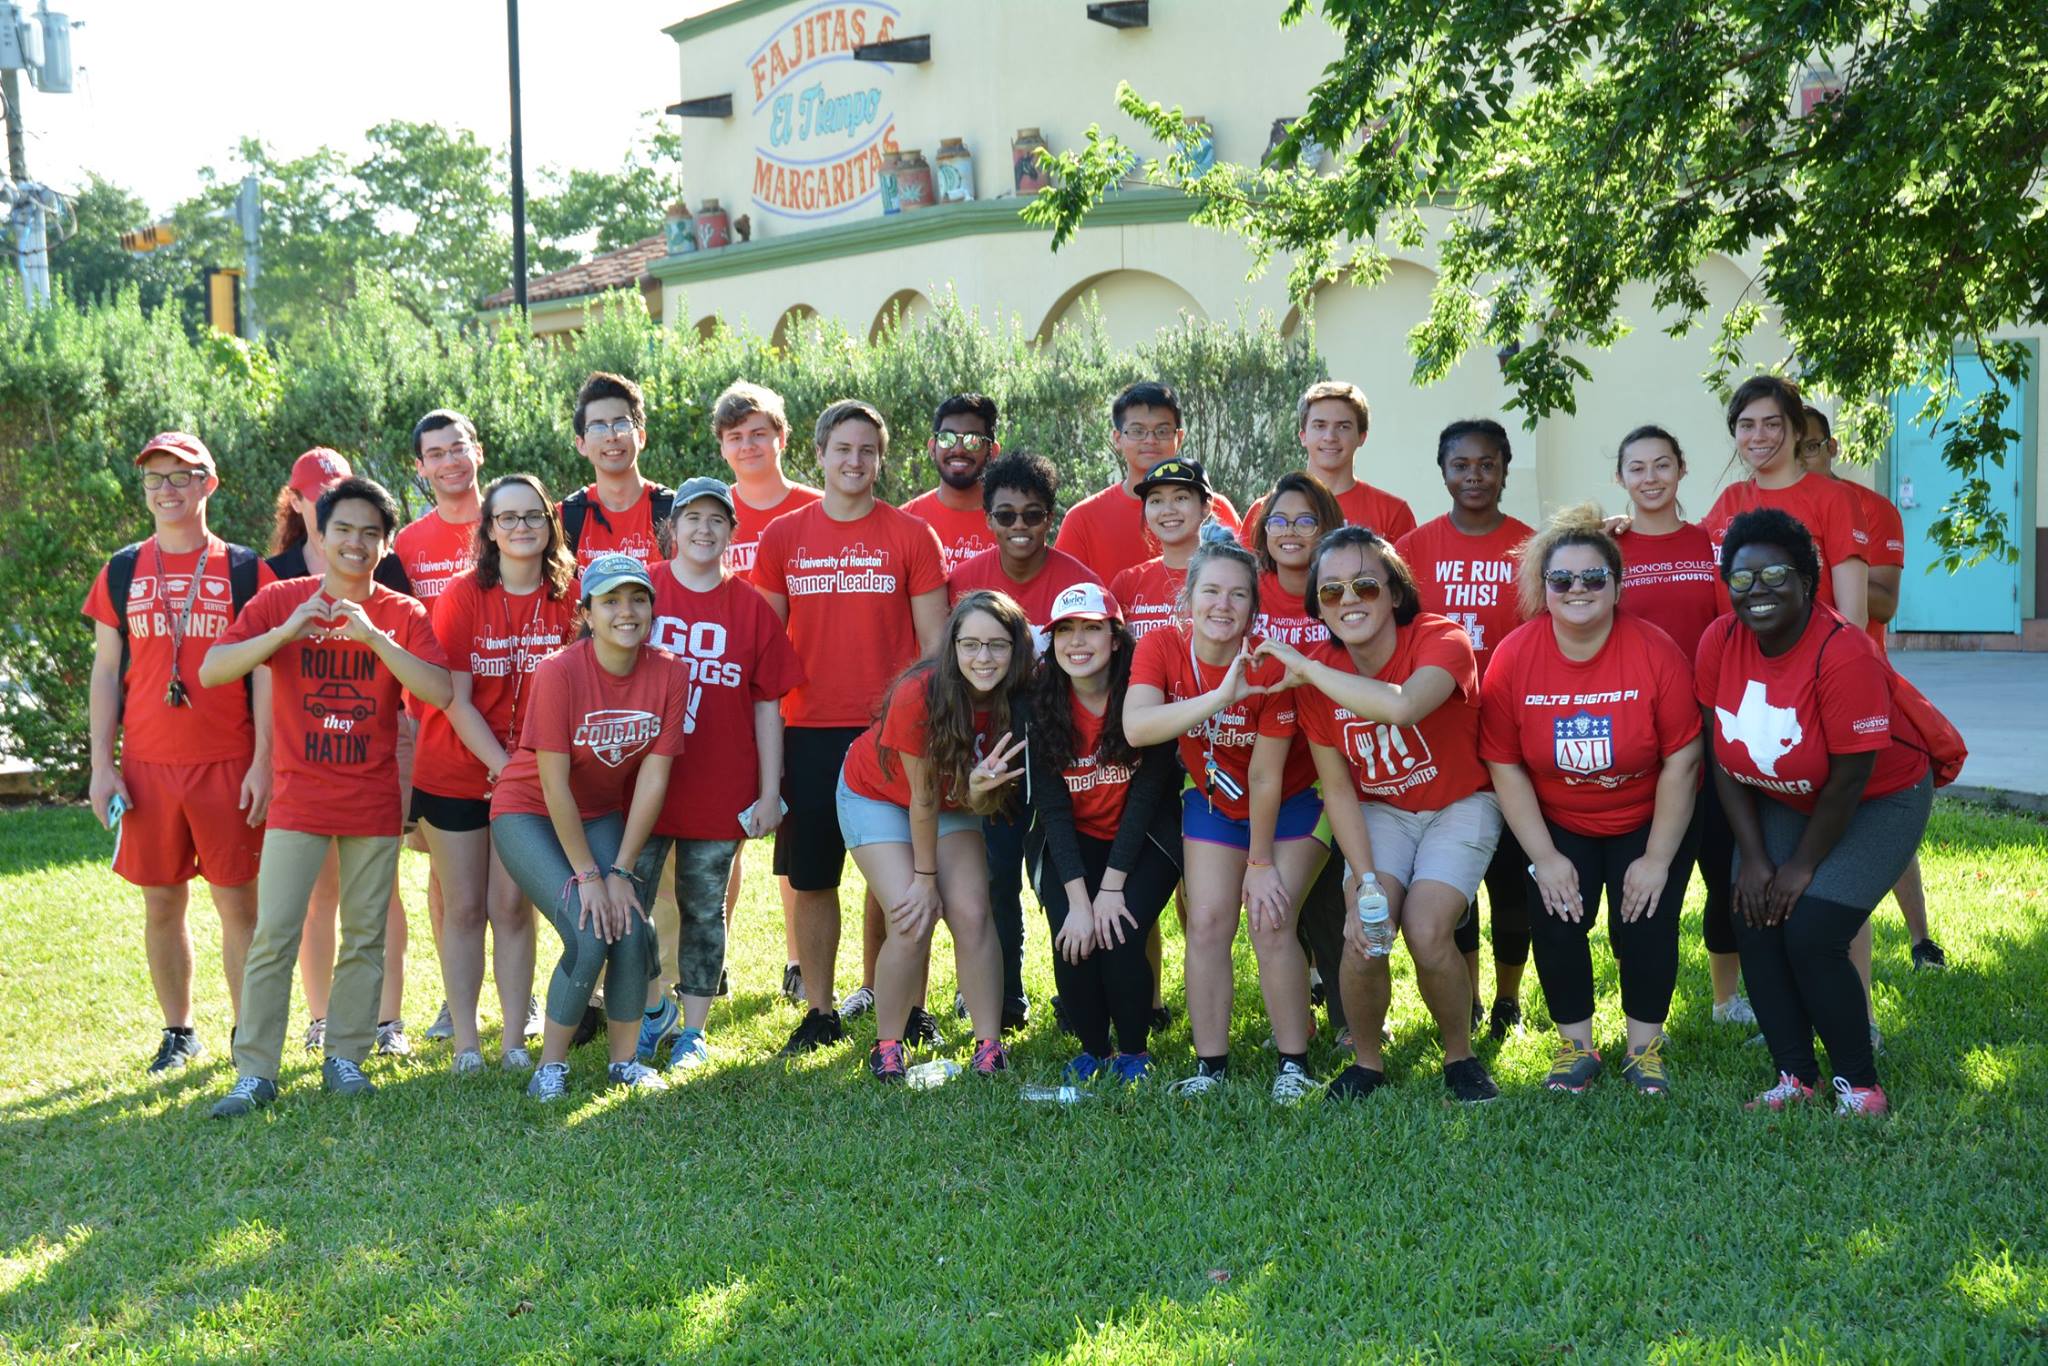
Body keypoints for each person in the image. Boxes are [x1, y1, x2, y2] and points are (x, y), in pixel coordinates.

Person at [204, 477, 453, 1118]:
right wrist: (285, 632)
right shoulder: (281, 598)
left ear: (385, 542)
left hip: (370, 798)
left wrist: (375, 638)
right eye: (343, 529)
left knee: (366, 934)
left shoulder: (402, 612)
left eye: (371, 533)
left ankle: (346, 1056)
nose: (356, 543)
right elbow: (213, 669)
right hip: (298, 800)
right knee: (274, 936)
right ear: (320, 532)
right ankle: (255, 1072)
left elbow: (440, 692)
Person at [1697, 508, 1932, 1116]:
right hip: (1788, 792)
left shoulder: (1843, 652)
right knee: (1752, 913)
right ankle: (1794, 1077)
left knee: (1812, 930)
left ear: (1808, 578)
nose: (1758, 592)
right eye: (1742, 580)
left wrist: (1800, 867)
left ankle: (1861, 1085)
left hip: (1880, 798)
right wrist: (1752, 857)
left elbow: (1852, 776)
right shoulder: (1719, 643)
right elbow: (1724, 754)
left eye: (1775, 575)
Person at [1257, 526, 1503, 1103]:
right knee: (1365, 931)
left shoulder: (1442, 638)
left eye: (1365, 586)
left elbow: (1404, 706)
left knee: (1426, 926)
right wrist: (1365, 879)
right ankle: (1367, 1062)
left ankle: (1460, 1057)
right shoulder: (1316, 670)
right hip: (1380, 809)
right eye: (1331, 591)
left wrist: (1310, 670)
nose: (1349, 601)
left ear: (1395, 592)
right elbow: (1337, 789)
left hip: (1459, 801)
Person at [1479, 506, 1703, 1096]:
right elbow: (1503, 762)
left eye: (1593, 578)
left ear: (1617, 585)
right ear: (1544, 588)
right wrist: (1545, 858)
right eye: (1562, 580)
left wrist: (1655, 860)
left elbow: (1683, 758)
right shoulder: (1514, 656)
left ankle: (1644, 1048)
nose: (1578, 589)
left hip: (1646, 815)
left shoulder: (1655, 650)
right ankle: (1576, 1047)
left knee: (1648, 919)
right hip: (1557, 820)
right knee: (1557, 920)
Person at [753, 399, 949, 1055]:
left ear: (880, 459)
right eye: (844, 449)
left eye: (868, 450)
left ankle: (911, 1007)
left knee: (898, 874)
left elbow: (934, 649)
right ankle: (819, 1009)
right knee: (812, 878)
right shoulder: (784, 537)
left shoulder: (912, 535)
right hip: (807, 729)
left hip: (890, 734)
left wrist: (919, 727)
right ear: (820, 455)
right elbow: (765, 646)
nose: (855, 461)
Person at [83, 431, 274, 1073]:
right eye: (154, 479)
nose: (166, 490)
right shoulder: (121, 569)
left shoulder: (246, 569)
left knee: (237, 902)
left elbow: (270, 673)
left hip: (227, 760)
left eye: (180, 476)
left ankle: (248, 1035)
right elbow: (107, 672)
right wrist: (101, 765)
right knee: (161, 900)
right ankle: (177, 1031)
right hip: (146, 766)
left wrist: (265, 760)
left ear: (207, 484)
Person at [1125, 527, 1328, 1104]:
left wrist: (1260, 863)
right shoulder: (1162, 647)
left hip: (1291, 803)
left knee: (1270, 919)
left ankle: (1293, 1062)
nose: (1223, 605)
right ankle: (1210, 1065)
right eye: (1210, 592)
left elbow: (1267, 776)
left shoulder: (1268, 664)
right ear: (1186, 599)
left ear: (1254, 608)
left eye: (1238, 595)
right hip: (1214, 800)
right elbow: (1138, 727)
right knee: (1208, 921)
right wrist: (1220, 697)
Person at [490, 553, 691, 1102]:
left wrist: (622, 871)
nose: (627, 611)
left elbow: (653, 779)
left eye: (638, 599)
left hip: (600, 815)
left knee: (629, 923)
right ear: (588, 612)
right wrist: (589, 875)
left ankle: (623, 1063)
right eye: (611, 601)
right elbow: (553, 785)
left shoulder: (671, 671)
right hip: (527, 809)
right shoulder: (559, 671)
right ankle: (549, 1067)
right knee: (587, 926)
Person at [409, 474, 581, 1073]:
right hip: (456, 769)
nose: (521, 528)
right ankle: (465, 1042)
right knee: (463, 908)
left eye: (533, 516)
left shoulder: (570, 594)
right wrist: (504, 768)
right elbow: (453, 700)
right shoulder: (460, 596)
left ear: (550, 524)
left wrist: (521, 775)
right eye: (506, 518)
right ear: (488, 529)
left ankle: (512, 1039)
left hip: (534, 779)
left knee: (512, 907)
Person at [636, 477, 805, 1072]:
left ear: (732, 533)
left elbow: (768, 706)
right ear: (672, 529)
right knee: (635, 903)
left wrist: (767, 792)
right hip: (642, 787)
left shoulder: (750, 607)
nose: (704, 530)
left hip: (719, 785)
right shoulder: (643, 591)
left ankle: (695, 1030)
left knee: (704, 907)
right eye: (692, 519)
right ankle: (651, 1009)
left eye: (717, 520)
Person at [840, 590, 1035, 1080]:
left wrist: (976, 793)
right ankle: (888, 1045)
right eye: (970, 645)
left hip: (955, 801)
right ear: (952, 647)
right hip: (879, 796)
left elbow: (978, 798)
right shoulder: (921, 691)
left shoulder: (1024, 693)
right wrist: (925, 879)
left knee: (972, 911)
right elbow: (921, 799)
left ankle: (988, 1046)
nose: (983, 658)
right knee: (911, 914)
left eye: (997, 645)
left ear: (1016, 649)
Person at [264, 446, 418, 1056]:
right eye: (331, 509)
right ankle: (322, 1020)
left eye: (368, 530)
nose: (355, 539)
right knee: (309, 901)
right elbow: (248, 669)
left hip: (377, 752)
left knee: (377, 901)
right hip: (301, 762)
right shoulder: (276, 579)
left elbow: (420, 676)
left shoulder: (389, 577)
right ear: (303, 508)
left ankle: (384, 1022)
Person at [943, 450, 1101, 1030]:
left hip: (1064, 753)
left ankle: (1080, 1001)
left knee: (1064, 877)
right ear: (987, 518)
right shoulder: (964, 583)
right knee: (996, 878)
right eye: (1005, 515)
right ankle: (1005, 1000)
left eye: (1032, 515)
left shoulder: (1079, 583)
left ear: (1050, 517)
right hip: (993, 753)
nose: (1019, 528)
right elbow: (949, 674)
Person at [1396, 419, 1536, 1038]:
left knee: (1509, 875)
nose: (1474, 476)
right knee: (1451, 880)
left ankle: (1508, 997)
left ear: (1505, 468)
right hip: (1438, 734)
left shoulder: (1534, 546)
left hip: (1513, 732)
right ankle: (1470, 996)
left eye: (1487, 464)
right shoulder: (1413, 550)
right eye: (1461, 465)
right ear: (1443, 471)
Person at [1612, 425, 1752, 1027]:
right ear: (1621, 479)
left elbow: (1735, 634)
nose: (1650, 478)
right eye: (1637, 468)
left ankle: (1727, 1000)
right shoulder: (1605, 552)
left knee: (1725, 866)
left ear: (1682, 470)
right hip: (1633, 733)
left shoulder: (1710, 545)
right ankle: (1640, 1008)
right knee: (1642, 874)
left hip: (1709, 726)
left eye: (1661, 465)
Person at [1798, 406, 1945, 973]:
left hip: (1859, 677)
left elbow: (1882, 601)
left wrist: (1829, 569)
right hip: (1787, 682)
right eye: (1796, 446)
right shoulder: (1762, 502)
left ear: (1831, 448)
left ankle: (1919, 938)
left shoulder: (1870, 508)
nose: (1802, 457)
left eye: (1812, 446)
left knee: (1881, 804)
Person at [1021, 583, 1182, 1083]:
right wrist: (1079, 898)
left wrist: (1111, 888)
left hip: (1144, 834)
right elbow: (1051, 805)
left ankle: (1134, 1052)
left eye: (1091, 628)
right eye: (1065, 630)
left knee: (1120, 932)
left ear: (1115, 638)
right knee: (1073, 934)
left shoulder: (1143, 690)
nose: (1078, 641)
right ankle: (1094, 1049)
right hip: (1071, 836)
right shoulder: (1041, 703)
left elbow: (1148, 794)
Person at [712, 380, 821, 1002]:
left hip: (798, 698)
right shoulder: (709, 509)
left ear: (781, 437)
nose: (749, 445)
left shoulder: (814, 504)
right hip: (727, 697)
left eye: (759, 433)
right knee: (719, 836)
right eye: (735, 437)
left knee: (794, 838)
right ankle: (713, 960)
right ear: (724, 449)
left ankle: (799, 963)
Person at [392, 409, 487, 1047]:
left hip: (511, 716)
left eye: (459, 447)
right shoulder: (404, 546)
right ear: (421, 468)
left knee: (513, 872)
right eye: (437, 453)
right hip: (429, 720)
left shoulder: (513, 514)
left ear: (476, 451)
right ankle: (458, 1006)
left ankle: (524, 996)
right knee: (445, 870)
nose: (451, 461)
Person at [1248, 471, 1350, 1039]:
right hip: (1259, 771)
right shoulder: (1247, 589)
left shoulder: (1341, 588)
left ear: (1326, 529)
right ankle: (1294, 1019)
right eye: (1279, 521)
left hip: (1330, 770)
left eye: (1306, 520)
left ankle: (1350, 1020)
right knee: (1278, 906)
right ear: (1262, 533)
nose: (1291, 532)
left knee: (1331, 905)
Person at [1701, 376, 1869, 626]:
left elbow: (1853, 619)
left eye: (1772, 424)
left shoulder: (1835, 498)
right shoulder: (1730, 499)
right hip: (1738, 660)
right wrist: (1627, 526)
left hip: (1810, 659)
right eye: (1746, 425)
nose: (1758, 436)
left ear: (1797, 431)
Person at [1054, 381, 1240, 584]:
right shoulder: (1082, 520)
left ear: (1179, 437)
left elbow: (1245, 581)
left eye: (1162, 431)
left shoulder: (1213, 506)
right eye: (1137, 431)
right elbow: (1063, 597)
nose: (1150, 440)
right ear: (1117, 438)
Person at [1239, 380, 1416, 543]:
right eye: (1320, 425)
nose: (1330, 437)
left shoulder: (1393, 513)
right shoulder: (1264, 511)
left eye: (1343, 427)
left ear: (1362, 437)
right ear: (1303, 436)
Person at [558, 371, 675, 571]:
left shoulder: (676, 511)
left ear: (641, 437)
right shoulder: (563, 519)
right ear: (581, 444)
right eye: (598, 427)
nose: (611, 436)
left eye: (621, 424)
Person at [1109, 457, 1218, 638]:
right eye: (1156, 501)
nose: (1167, 510)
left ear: (1206, 507)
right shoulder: (1127, 583)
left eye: (1180, 498)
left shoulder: (1229, 577)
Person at [902, 392, 1000, 574]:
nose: (959, 449)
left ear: (993, 451)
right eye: (947, 438)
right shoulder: (905, 521)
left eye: (974, 440)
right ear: (932, 447)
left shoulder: (1011, 521)